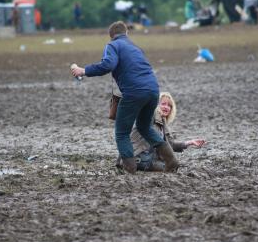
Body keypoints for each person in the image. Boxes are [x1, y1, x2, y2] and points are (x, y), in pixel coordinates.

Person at [71, 21, 179, 174]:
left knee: (122, 133)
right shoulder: (136, 47)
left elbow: (108, 65)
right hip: (153, 90)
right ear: (126, 33)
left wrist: (83, 70)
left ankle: (130, 169)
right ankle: (171, 160)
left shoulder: (112, 45)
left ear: (111, 36)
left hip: (134, 92)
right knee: (145, 127)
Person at [126, 92, 206, 172]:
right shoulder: (150, 115)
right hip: (139, 158)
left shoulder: (162, 122)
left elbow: (170, 145)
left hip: (149, 158)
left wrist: (190, 142)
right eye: (163, 104)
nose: (166, 107)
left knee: (174, 166)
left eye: (169, 105)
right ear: (156, 105)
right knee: (171, 167)